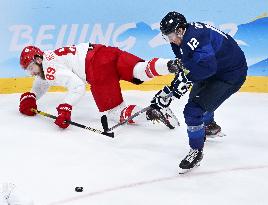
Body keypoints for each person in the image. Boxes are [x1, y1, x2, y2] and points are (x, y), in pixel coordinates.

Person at [150, 11, 247, 172]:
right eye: (166, 36)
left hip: (230, 75)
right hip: (216, 68)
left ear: (180, 30)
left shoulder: (195, 38)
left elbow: (208, 68)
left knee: (193, 111)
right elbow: (190, 65)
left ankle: (196, 151)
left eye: (171, 35)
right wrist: (172, 90)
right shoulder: (179, 39)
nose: (170, 39)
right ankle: (209, 126)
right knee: (196, 97)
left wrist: (185, 80)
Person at [19, 43, 180, 129]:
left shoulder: (50, 67)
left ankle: (153, 113)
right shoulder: (49, 57)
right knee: (140, 70)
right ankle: (171, 65)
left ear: (38, 60)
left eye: (31, 68)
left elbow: (77, 87)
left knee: (116, 113)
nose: (31, 73)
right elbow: (43, 79)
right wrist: (32, 95)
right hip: (105, 51)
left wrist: (65, 107)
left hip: (97, 69)